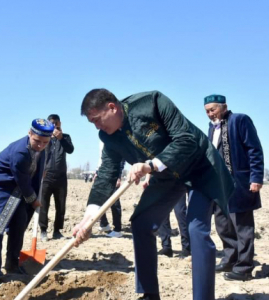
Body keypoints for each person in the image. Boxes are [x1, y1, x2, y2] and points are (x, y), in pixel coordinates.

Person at [73, 89, 234, 300]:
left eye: (97, 119)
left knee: (196, 229)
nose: (97, 126)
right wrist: (89, 216)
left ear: (112, 107)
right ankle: (149, 294)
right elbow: (106, 175)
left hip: (200, 167)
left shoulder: (152, 103)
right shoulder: (108, 137)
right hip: (167, 177)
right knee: (141, 223)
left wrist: (150, 165)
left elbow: (186, 139)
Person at [0, 119, 54, 280]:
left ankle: (12, 263)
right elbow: (23, 180)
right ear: (29, 133)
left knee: (19, 221)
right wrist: (33, 199)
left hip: (15, 187)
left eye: (45, 142)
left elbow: (34, 174)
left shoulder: (43, 149)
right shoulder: (20, 152)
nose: (40, 145)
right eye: (37, 141)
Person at [204, 94, 264, 281]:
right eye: (206, 111)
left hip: (240, 183)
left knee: (242, 226)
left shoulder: (240, 120)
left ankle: (244, 267)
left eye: (213, 109)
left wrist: (256, 177)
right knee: (223, 225)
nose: (210, 114)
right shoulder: (211, 127)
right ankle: (230, 259)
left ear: (224, 107)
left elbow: (254, 149)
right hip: (219, 185)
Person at [39, 114, 74, 242]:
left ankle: (57, 231)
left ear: (60, 123)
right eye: (51, 123)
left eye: (56, 123)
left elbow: (70, 150)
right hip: (46, 177)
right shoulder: (44, 138)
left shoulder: (65, 137)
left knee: (61, 205)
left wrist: (61, 138)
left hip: (61, 177)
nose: (54, 125)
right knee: (43, 205)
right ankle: (43, 230)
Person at [96, 142, 126, 238]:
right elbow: (101, 158)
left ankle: (117, 229)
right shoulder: (102, 139)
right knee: (99, 199)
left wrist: (118, 176)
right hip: (103, 172)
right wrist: (97, 171)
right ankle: (104, 224)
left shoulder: (116, 137)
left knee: (115, 202)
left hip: (113, 174)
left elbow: (122, 157)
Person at [155, 191, 190, 258]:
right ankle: (166, 246)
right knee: (162, 212)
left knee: (180, 212)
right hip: (163, 183)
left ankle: (186, 247)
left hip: (178, 183)